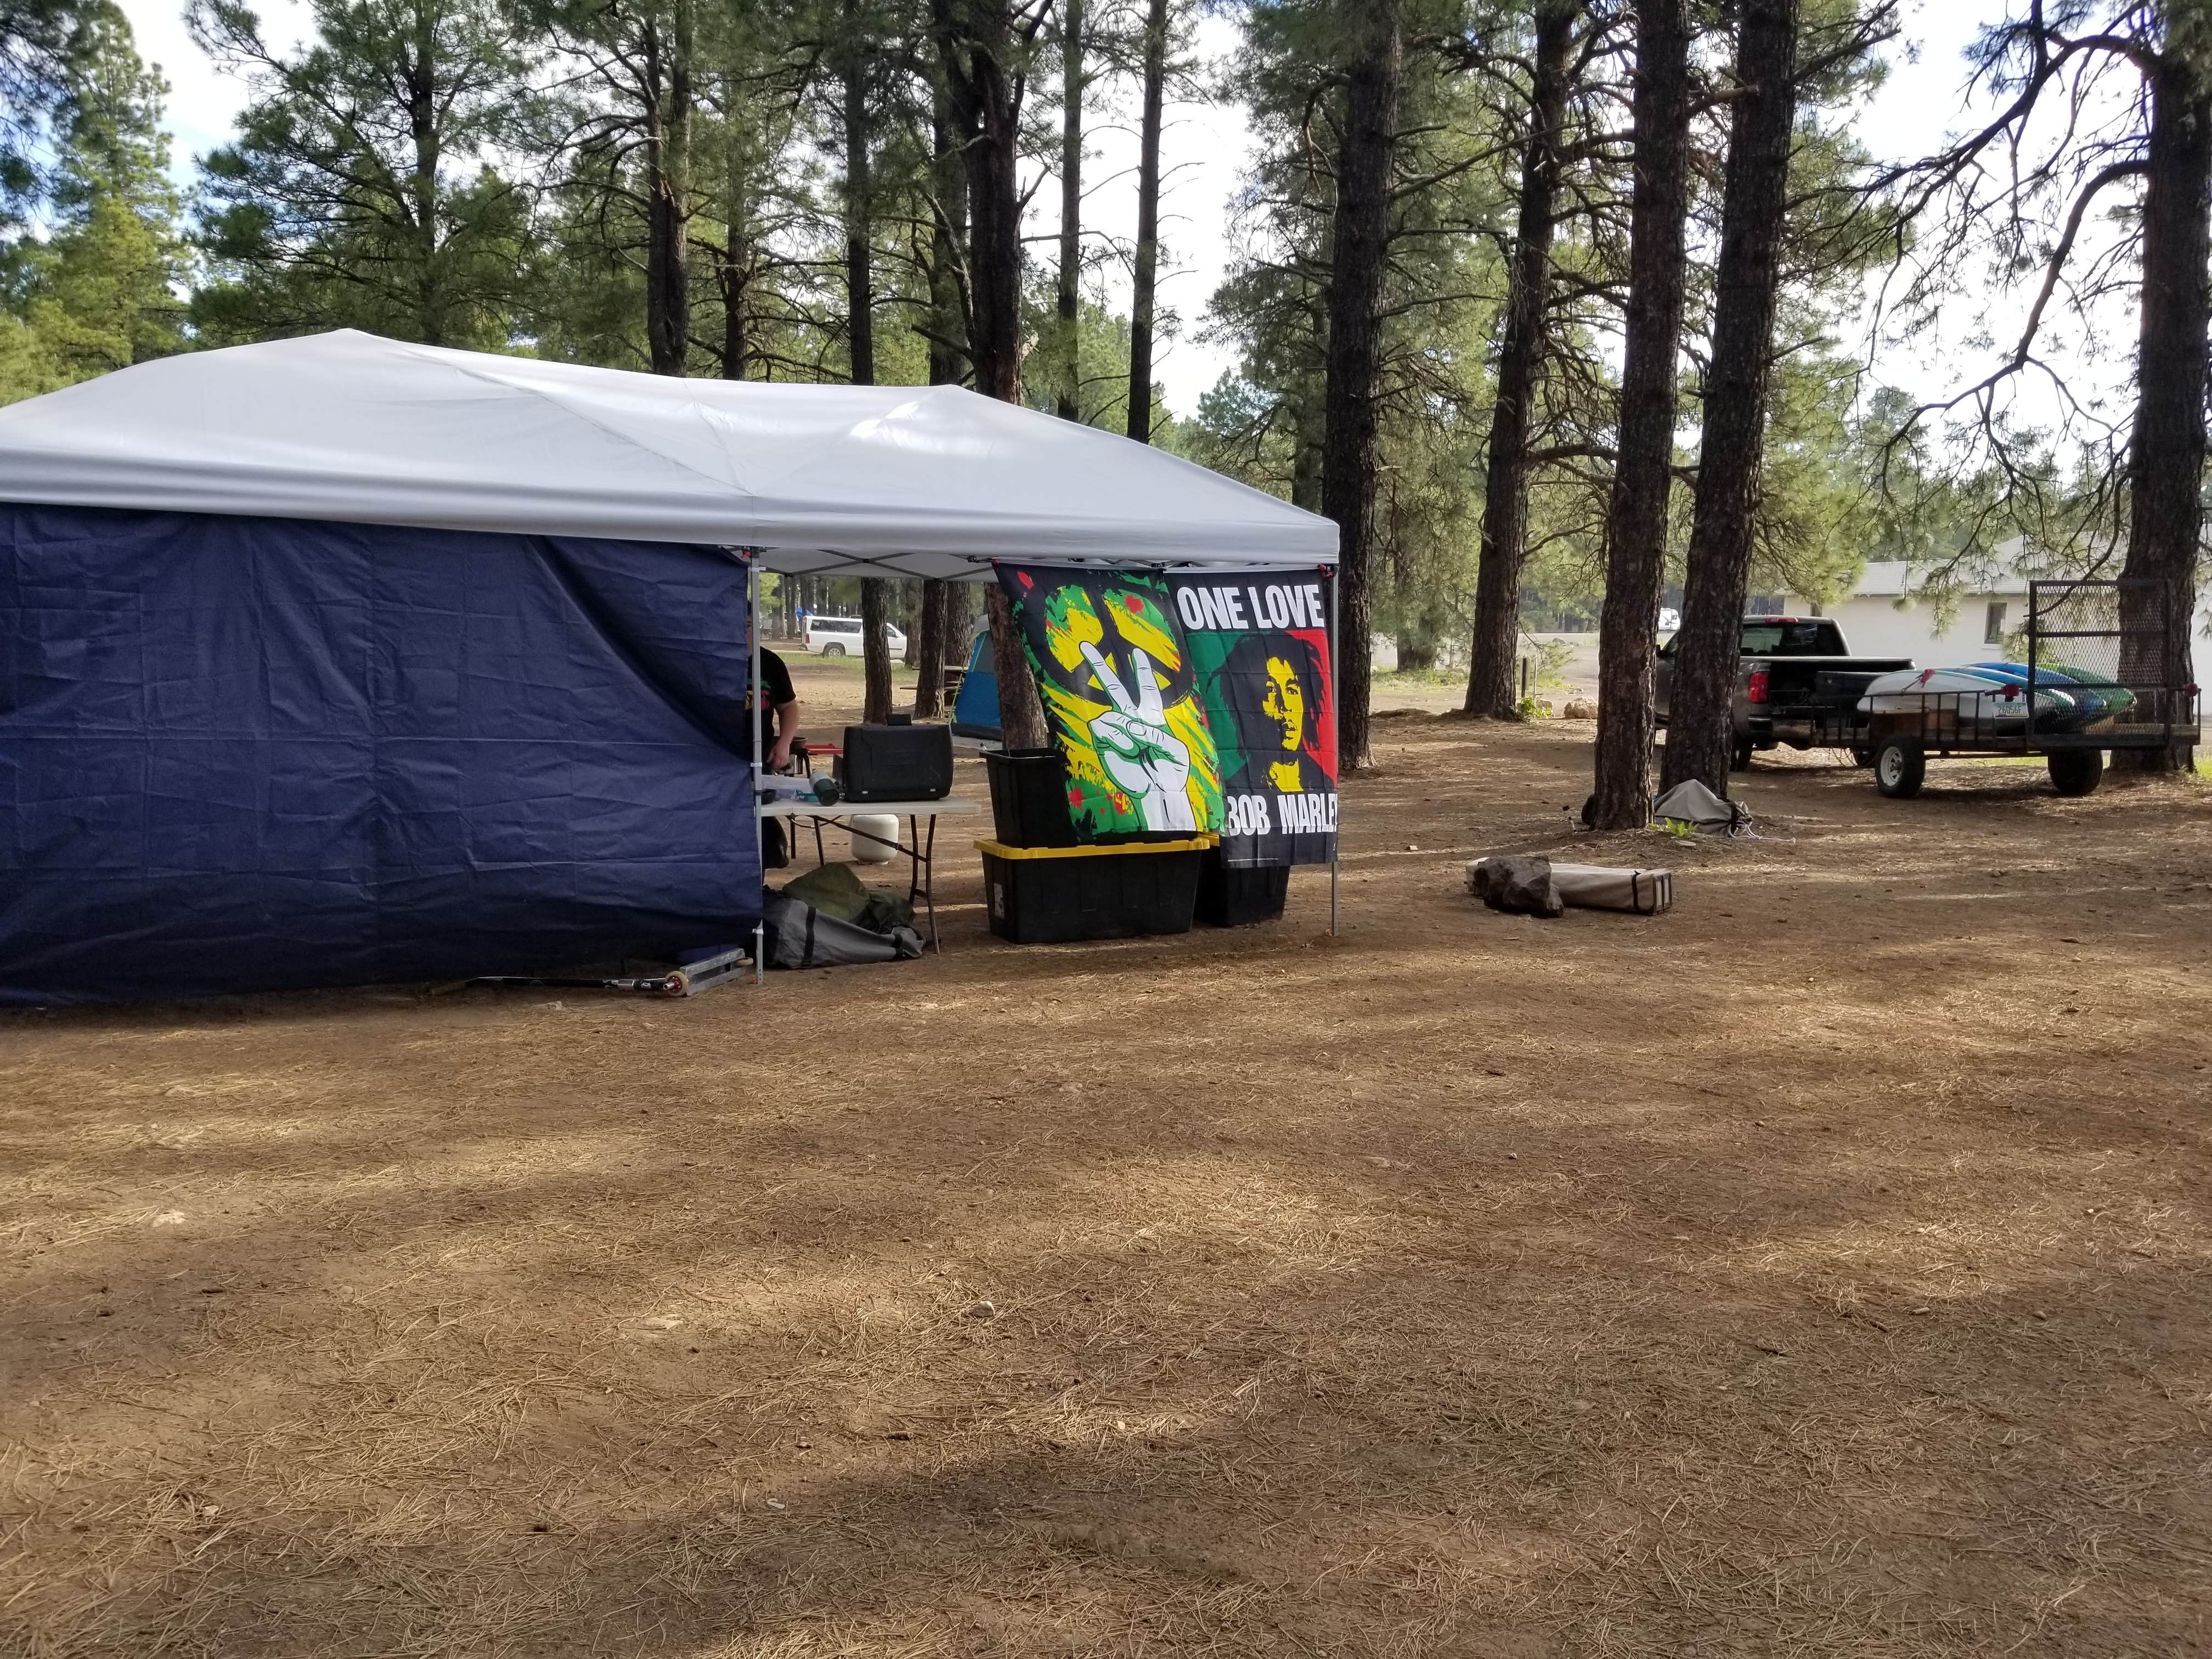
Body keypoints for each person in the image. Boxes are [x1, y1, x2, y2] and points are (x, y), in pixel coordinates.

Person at [1221, 632, 1332, 798]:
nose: (1285, 707)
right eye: (1271, 690)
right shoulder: (1235, 790)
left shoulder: (1324, 784)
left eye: (1292, 691)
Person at [748, 645, 802, 772]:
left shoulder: (771, 662)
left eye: (749, 625)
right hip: (713, 757)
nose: (744, 631)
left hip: (759, 757)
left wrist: (785, 742)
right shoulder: (707, 659)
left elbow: (788, 707)